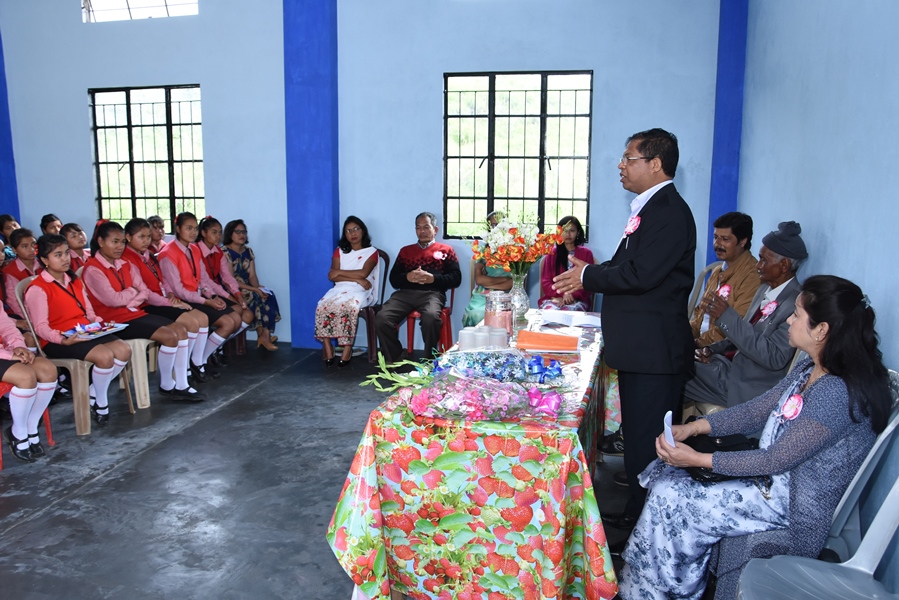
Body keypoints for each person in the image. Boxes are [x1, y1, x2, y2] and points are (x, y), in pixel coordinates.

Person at [617, 275, 891, 600]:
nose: (788, 319)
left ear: (821, 330)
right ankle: (654, 588)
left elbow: (777, 458)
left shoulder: (835, 393)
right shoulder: (811, 370)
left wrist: (698, 458)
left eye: (798, 314)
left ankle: (659, 591)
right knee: (668, 482)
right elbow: (757, 410)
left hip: (791, 506)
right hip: (770, 485)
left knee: (672, 496)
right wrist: (695, 428)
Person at [552, 128, 696, 528]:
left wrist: (589, 277)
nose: (620, 165)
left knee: (649, 444)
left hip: (655, 352)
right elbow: (622, 265)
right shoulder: (648, 208)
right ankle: (637, 511)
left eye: (628, 158)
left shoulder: (669, 212)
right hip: (640, 348)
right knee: (637, 440)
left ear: (655, 163)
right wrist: (589, 273)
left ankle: (647, 527)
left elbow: (641, 274)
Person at [687, 221, 808, 411]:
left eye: (763, 260)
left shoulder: (795, 305)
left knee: (671, 370)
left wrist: (726, 316)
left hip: (746, 386)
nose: (757, 265)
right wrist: (711, 350)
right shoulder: (764, 289)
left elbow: (774, 356)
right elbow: (741, 336)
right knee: (670, 363)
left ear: (783, 265)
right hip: (727, 368)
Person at [82, 221, 204, 402]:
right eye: (114, 242)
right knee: (170, 336)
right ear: (100, 241)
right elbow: (112, 300)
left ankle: (181, 383)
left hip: (133, 312)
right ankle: (168, 385)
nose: (119, 247)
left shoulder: (124, 264)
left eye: (122, 242)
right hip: (112, 320)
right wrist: (132, 292)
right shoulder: (93, 269)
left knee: (180, 330)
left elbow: (144, 291)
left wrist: (131, 298)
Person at [24, 234, 132, 426]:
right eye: (58, 255)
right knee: (105, 357)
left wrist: (101, 324)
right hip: (59, 339)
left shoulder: (74, 280)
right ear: (44, 260)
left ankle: (93, 393)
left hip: (85, 329)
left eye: (66, 253)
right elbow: (40, 327)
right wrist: (62, 339)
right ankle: (101, 402)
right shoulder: (38, 288)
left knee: (124, 350)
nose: (65, 258)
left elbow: (88, 312)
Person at [122, 218, 211, 381]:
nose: (146, 241)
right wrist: (170, 302)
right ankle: (182, 372)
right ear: (128, 237)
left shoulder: (147, 255)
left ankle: (189, 366)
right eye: (141, 237)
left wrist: (170, 294)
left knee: (200, 318)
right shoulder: (127, 259)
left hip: (162, 299)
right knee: (190, 323)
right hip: (147, 305)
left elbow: (162, 280)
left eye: (148, 237)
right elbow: (145, 292)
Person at [158, 212, 242, 381]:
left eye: (195, 228)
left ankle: (201, 360)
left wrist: (211, 296)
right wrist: (206, 301)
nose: (193, 232)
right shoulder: (168, 254)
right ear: (178, 229)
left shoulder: (194, 249)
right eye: (188, 228)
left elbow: (202, 279)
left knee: (235, 318)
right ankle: (197, 362)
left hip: (197, 297)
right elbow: (178, 290)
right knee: (225, 322)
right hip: (183, 300)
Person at [375, 212, 462, 363]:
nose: (422, 231)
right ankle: (395, 357)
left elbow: (456, 278)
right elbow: (394, 280)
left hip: (432, 294)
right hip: (405, 295)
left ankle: (429, 359)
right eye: (418, 228)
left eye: (426, 227)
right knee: (382, 318)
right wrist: (407, 277)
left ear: (435, 229)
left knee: (430, 318)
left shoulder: (446, 250)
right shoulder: (405, 251)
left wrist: (433, 279)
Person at [314, 216, 379, 366]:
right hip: (339, 289)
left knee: (348, 306)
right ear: (345, 234)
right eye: (348, 231)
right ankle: (328, 345)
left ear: (363, 231)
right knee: (323, 304)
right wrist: (357, 278)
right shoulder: (339, 251)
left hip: (361, 291)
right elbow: (332, 275)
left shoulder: (371, 252)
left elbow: (363, 273)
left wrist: (349, 276)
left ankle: (347, 348)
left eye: (356, 229)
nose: (353, 233)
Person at [690, 212, 760, 347]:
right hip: (698, 345)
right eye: (716, 237)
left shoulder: (752, 276)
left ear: (743, 241)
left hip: (720, 353)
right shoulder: (717, 271)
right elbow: (699, 314)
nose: (717, 244)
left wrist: (696, 344)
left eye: (725, 239)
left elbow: (735, 326)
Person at [0, 308, 58, 462]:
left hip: (4, 352)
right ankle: (18, 432)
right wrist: (8, 355)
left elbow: (6, 327)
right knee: (26, 376)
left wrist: (19, 347)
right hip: (2, 355)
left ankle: (31, 426)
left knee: (48, 370)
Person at [195, 216, 253, 358]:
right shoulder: (195, 251)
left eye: (220, 232)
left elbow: (226, 277)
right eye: (214, 232)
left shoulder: (218, 251)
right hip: (202, 293)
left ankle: (214, 347)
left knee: (248, 314)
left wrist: (237, 294)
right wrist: (227, 296)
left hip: (215, 290)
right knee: (235, 314)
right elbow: (205, 281)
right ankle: (204, 356)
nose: (218, 236)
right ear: (203, 233)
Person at [223, 219, 281, 351]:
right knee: (254, 295)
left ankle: (265, 335)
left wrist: (259, 288)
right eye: (237, 231)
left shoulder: (248, 251)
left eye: (243, 231)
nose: (241, 234)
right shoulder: (225, 252)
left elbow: (252, 276)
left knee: (268, 294)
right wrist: (255, 289)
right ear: (229, 233)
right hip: (232, 289)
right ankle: (263, 336)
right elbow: (230, 281)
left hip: (248, 287)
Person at [462, 210, 513, 326]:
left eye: (499, 225)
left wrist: (488, 281)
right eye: (493, 225)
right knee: (476, 313)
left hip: (506, 296)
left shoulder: (515, 252)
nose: (496, 229)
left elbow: (512, 283)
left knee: (500, 314)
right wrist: (504, 279)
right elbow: (479, 280)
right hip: (482, 296)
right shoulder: (483, 252)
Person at [538, 216, 595, 311]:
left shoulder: (586, 254)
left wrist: (571, 295)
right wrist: (562, 294)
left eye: (572, 230)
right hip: (553, 298)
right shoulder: (551, 254)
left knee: (570, 314)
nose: (568, 234)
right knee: (551, 314)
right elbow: (546, 283)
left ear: (578, 232)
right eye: (564, 230)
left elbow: (589, 283)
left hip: (578, 299)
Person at [3, 228, 42, 318]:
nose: (31, 249)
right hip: (25, 316)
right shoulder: (10, 272)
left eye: (33, 244)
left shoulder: (44, 264)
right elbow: (15, 302)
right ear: (14, 250)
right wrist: (29, 319)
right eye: (25, 246)